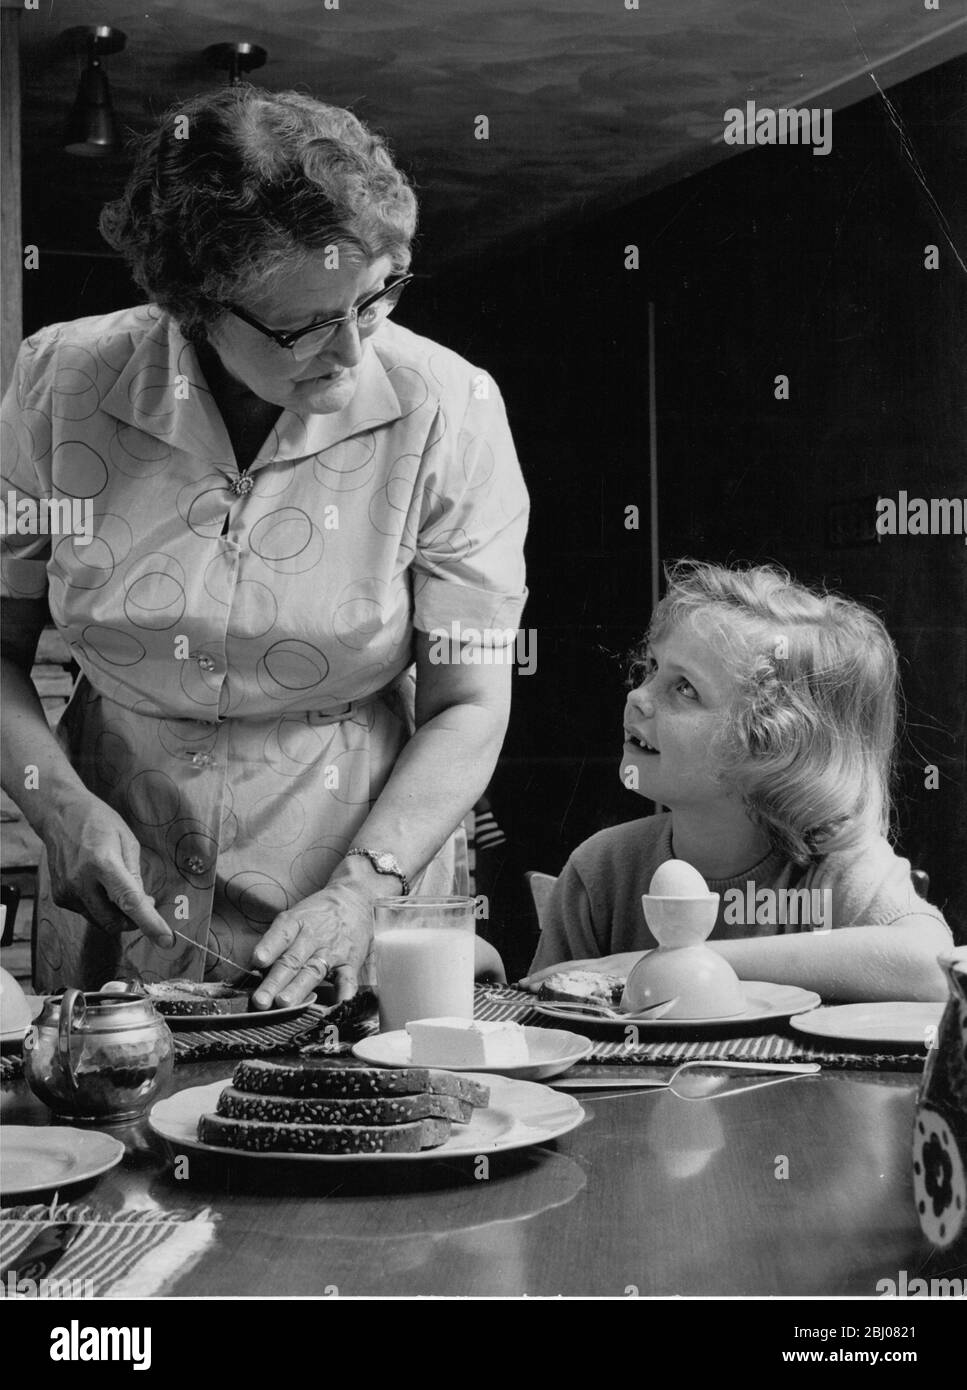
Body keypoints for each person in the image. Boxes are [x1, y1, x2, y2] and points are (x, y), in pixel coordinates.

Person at [0, 86, 528, 1008]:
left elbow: (469, 700)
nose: (354, 354)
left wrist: (366, 886)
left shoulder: (452, 408)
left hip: (362, 847)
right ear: (194, 304)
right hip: (116, 840)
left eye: (374, 301)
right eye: (306, 326)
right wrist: (59, 807)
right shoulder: (59, 384)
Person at [522, 561, 951, 1001]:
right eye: (651, 669)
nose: (638, 696)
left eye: (685, 688)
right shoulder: (602, 869)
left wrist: (680, 961)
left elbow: (930, 966)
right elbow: (540, 1021)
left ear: (773, 746)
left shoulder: (832, 866)